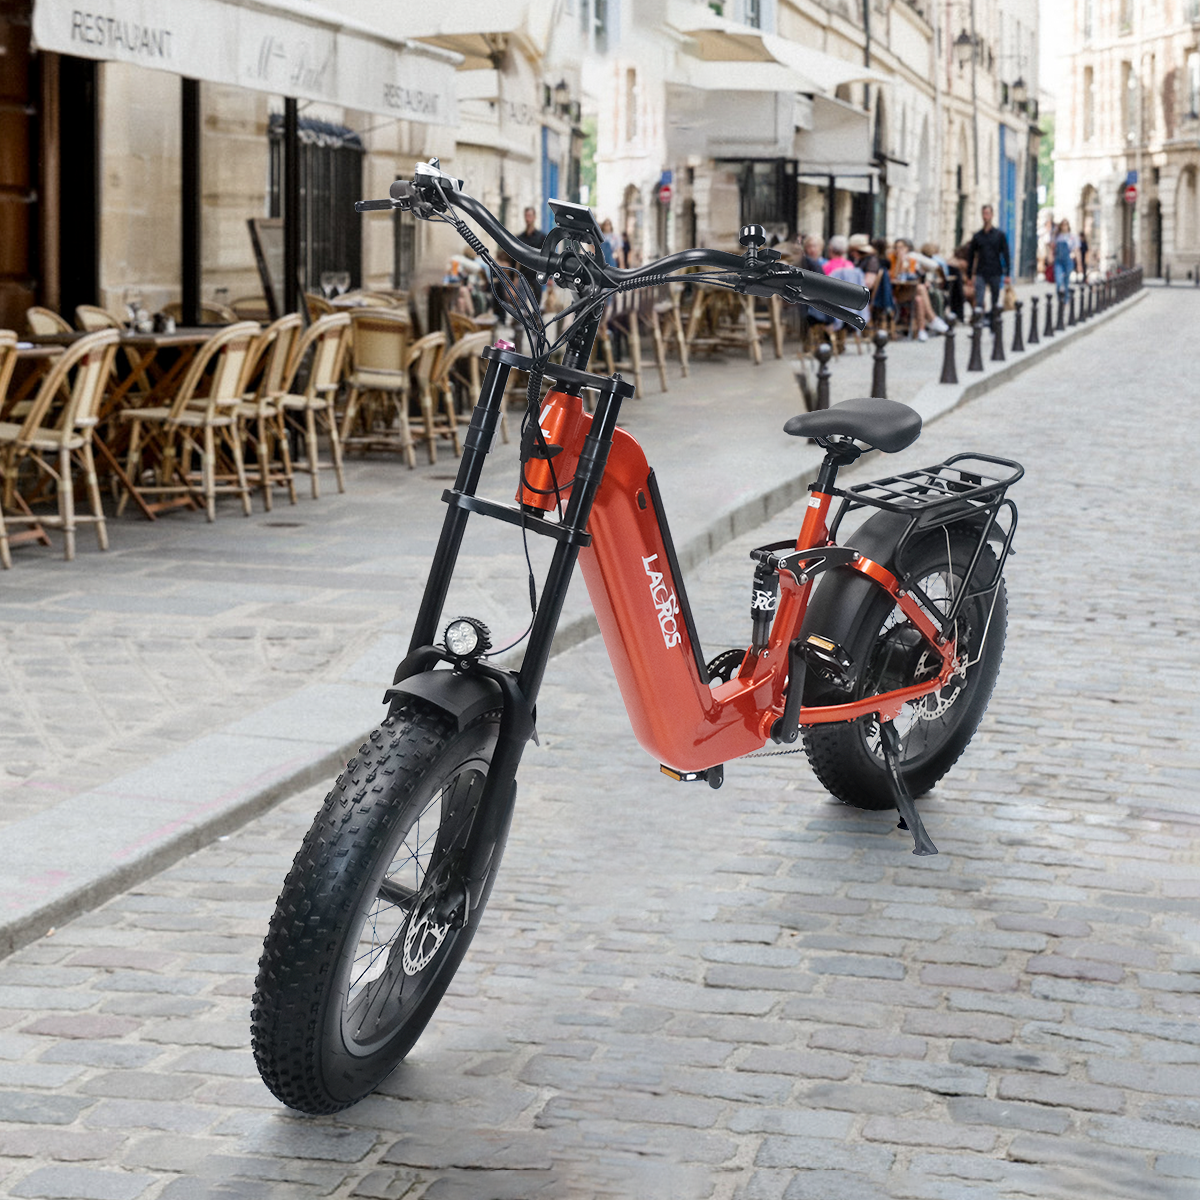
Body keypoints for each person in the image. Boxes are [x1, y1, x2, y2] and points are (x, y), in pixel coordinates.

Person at [893, 237, 948, 341]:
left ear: (908, 248)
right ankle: (932, 319)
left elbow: (934, 266)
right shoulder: (893, 258)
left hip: (909, 290)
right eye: (896, 247)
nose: (899, 250)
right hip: (896, 292)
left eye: (902, 247)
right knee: (921, 289)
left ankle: (921, 330)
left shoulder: (911, 257)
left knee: (919, 299)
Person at [966, 204, 1011, 313]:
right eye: (984, 214)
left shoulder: (999, 235)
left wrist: (1007, 274)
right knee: (979, 299)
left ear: (992, 215)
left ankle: (993, 320)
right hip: (981, 271)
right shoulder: (977, 236)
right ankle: (980, 319)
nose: (985, 216)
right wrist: (969, 276)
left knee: (994, 299)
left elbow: (1006, 254)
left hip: (995, 271)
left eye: (987, 213)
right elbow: (971, 256)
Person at [515, 205, 545, 301]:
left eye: (530, 216)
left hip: (536, 274)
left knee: (537, 300)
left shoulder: (541, 237)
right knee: (522, 301)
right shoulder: (520, 238)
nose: (528, 218)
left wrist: (548, 277)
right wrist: (515, 277)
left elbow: (546, 257)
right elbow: (517, 259)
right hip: (523, 273)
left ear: (534, 217)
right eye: (526, 216)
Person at [1053, 218, 1080, 302]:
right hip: (1058, 261)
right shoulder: (1057, 236)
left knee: (1066, 280)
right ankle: (1059, 297)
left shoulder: (1072, 237)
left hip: (1068, 260)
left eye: (1066, 224)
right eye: (1063, 225)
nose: (1064, 226)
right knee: (1058, 279)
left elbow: (1076, 250)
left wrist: (1079, 264)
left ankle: (1065, 299)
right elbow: (1051, 247)